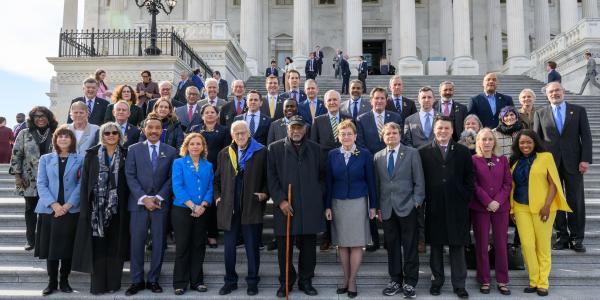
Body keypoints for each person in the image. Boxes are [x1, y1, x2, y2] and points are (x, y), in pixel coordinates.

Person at [267, 115, 325, 297]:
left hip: (309, 206)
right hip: (286, 206)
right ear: (287, 129)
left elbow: (323, 177)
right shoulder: (275, 148)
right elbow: (271, 178)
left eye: (299, 127)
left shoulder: (316, 149)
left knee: (308, 248)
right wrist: (280, 200)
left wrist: (316, 195)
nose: (296, 131)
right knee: (284, 248)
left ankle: (305, 281)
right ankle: (286, 281)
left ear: (305, 129)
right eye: (293, 127)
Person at [509, 130, 571, 296]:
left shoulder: (546, 157)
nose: (525, 145)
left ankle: (543, 282)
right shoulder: (515, 161)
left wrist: (547, 205)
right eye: (522, 143)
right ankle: (533, 280)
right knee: (528, 246)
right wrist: (512, 209)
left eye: (529, 142)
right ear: (517, 145)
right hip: (520, 207)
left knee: (542, 246)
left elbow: (553, 184)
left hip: (543, 208)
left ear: (535, 142)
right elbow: (512, 186)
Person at [419, 116, 474, 299]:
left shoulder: (463, 151)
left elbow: (469, 179)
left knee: (457, 247)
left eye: (446, 128)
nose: (443, 131)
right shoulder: (423, 152)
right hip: (434, 206)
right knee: (436, 247)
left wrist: (465, 197)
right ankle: (437, 282)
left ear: (452, 130)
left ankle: (459, 285)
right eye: (440, 128)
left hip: (457, 206)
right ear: (434, 130)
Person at [533, 81, 592, 252]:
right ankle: (561, 236)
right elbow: (537, 141)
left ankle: (577, 238)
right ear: (546, 94)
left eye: (557, 90)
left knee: (576, 200)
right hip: (550, 164)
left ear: (563, 91)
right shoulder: (540, 113)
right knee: (554, 200)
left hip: (574, 162)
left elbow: (586, 137)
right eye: (551, 92)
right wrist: (539, 165)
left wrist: (585, 159)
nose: (554, 94)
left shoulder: (578, 110)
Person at [71, 122, 130, 294]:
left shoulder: (126, 154)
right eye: (107, 133)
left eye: (114, 133)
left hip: (118, 209)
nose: (111, 136)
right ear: (102, 136)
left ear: (119, 135)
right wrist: (84, 210)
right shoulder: (91, 155)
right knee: (98, 248)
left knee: (115, 247)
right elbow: (84, 185)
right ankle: (98, 285)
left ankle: (113, 284)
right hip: (96, 209)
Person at [124, 117, 179, 296]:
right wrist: (144, 198)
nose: (154, 131)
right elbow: (130, 175)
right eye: (150, 128)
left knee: (158, 243)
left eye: (157, 128)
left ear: (162, 130)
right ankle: (136, 280)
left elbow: (172, 178)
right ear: (144, 130)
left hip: (160, 204)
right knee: (137, 243)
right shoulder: (133, 149)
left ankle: (154, 280)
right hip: (138, 204)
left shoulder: (171, 151)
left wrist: (158, 197)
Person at [214, 121, 268, 296]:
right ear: (231, 135)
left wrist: (264, 194)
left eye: (243, 133)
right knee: (229, 248)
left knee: (251, 247)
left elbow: (269, 177)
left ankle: (252, 281)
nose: (239, 136)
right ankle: (230, 281)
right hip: (229, 207)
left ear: (249, 133)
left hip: (251, 205)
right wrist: (217, 197)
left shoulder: (261, 151)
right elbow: (217, 180)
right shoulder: (224, 153)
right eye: (236, 133)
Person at [325, 120, 377, 298]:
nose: (346, 137)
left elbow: (371, 181)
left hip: (358, 202)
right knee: (342, 243)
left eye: (349, 134)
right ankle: (346, 279)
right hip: (338, 202)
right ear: (338, 137)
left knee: (356, 243)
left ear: (355, 136)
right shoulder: (332, 155)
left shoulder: (364, 154)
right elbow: (328, 182)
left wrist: (373, 206)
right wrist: (327, 206)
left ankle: (353, 280)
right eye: (343, 134)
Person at [374, 122, 424, 298]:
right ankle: (395, 279)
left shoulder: (412, 153)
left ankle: (410, 282)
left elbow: (419, 180)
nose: (391, 136)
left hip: (408, 207)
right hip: (387, 208)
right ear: (383, 136)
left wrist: (416, 202)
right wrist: (379, 207)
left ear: (400, 134)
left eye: (394, 132)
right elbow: (378, 184)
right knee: (392, 246)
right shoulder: (378, 156)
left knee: (410, 246)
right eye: (387, 133)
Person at [35, 127, 83, 296]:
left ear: (72, 140)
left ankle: (64, 281)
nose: (63, 139)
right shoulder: (45, 159)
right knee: (51, 248)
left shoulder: (80, 159)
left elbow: (81, 184)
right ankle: (51, 282)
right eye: (60, 136)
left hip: (71, 210)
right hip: (50, 211)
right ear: (55, 140)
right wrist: (54, 205)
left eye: (67, 136)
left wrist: (68, 205)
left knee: (67, 247)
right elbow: (41, 183)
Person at [356, 87, 402, 253]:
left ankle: (391, 240)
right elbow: (360, 143)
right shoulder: (361, 119)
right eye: (376, 98)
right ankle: (373, 240)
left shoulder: (395, 117)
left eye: (382, 98)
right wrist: (377, 158)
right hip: (371, 165)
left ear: (386, 100)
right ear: (371, 100)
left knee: (390, 199)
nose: (379, 101)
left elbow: (398, 139)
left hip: (393, 166)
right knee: (371, 201)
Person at [470, 128, 512, 295]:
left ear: (494, 141)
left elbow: (508, 183)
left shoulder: (502, 160)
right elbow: (473, 184)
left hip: (500, 208)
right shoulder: (473, 160)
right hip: (480, 207)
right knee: (481, 244)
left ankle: (502, 280)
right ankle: (484, 279)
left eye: (490, 139)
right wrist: (487, 201)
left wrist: (497, 201)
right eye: (483, 139)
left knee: (501, 244)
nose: (487, 142)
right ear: (478, 142)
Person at [170, 133, 213, 295]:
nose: (195, 146)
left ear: (203, 147)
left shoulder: (208, 165)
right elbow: (177, 187)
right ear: (186, 146)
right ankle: (179, 282)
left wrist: (203, 205)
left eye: (198, 144)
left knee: (198, 246)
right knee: (183, 246)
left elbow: (210, 187)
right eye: (192, 144)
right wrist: (192, 206)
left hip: (202, 210)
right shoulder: (179, 163)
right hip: (182, 210)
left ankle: (197, 281)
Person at [10, 106, 58, 251]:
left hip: (51, 179)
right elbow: (16, 154)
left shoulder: (56, 133)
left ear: (49, 117)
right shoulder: (24, 133)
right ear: (32, 119)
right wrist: (17, 176)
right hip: (29, 179)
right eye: (36, 116)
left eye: (43, 116)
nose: (40, 119)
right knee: (30, 209)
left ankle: (45, 239)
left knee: (49, 209)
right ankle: (30, 240)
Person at [310, 90, 352, 251]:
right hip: (325, 168)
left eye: (335, 100)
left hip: (345, 168)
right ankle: (326, 237)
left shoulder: (348, 119)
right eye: (330, 100)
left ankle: (343, 237)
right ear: (325, 102)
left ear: (340, 101)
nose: (332, 102)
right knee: (326, 203)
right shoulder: (318, 121)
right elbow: (313, 146)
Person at [189, 104, 231, 248]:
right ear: (202, 115)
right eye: (206, 112)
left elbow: (227, 152)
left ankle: (212, 234)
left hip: (216, 171)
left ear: (217, 115)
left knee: (212, 204)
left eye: (212, 112)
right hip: (196, 171)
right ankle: (199, 234)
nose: (210, 114)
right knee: (198, 201)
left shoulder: (224, 131)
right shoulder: (195, 129)